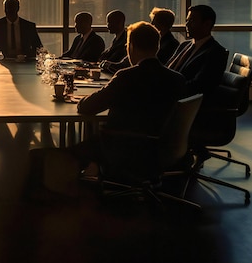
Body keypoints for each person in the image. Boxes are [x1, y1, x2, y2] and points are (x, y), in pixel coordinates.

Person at [76, 21, 187, 175]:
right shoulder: (178, 79)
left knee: (61, 153)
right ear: (157, 47)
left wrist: (81, 98)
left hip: (121, 146)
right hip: (162, 149)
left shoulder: (126, 76)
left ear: (131, 46)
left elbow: (87, 107)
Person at [166, 4, 228, 102]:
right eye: (187, 20)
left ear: (207, 24)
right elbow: (167, 68)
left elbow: (199, 85)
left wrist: (168, 90)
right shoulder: (184, 45)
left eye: (192, 21)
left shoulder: (215, 52)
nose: (187, 24)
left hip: (185, 102)